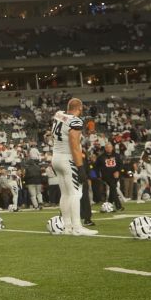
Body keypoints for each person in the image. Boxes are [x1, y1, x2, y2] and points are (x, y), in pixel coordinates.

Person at [49, 99, 96, 236]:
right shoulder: (75, 121)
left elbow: (66, 119)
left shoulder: (58, 114)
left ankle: (67, 227)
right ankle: (77, 227)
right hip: (68, 158)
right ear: (80, 108)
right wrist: (80, 167)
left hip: (56, 157)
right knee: (76, 193)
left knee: (65, 194)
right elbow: (74, 145)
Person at [94, 143, 125, 211]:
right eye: (107, 147)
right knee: (113, 188)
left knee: (112, 189)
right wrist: (98, 175)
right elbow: (96, 167)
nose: (109, 148)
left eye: (110, 147)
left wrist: (118, 171)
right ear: (105, 148)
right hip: (106, 176)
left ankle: (109, 205)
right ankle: (118, 206)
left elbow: (121, 165)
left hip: (115, 176)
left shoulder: (116, 156)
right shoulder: (101, 157)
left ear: (112, 148)